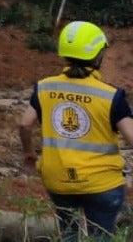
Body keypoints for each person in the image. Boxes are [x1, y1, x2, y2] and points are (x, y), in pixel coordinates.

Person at [20, 20, 133, 241]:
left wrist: (29, 152)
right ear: (98, 55)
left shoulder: (45, 87)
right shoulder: (111, 96)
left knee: (68, 234)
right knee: (100, 236)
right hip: (102, 185)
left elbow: (24, 124)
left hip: (58, 181)